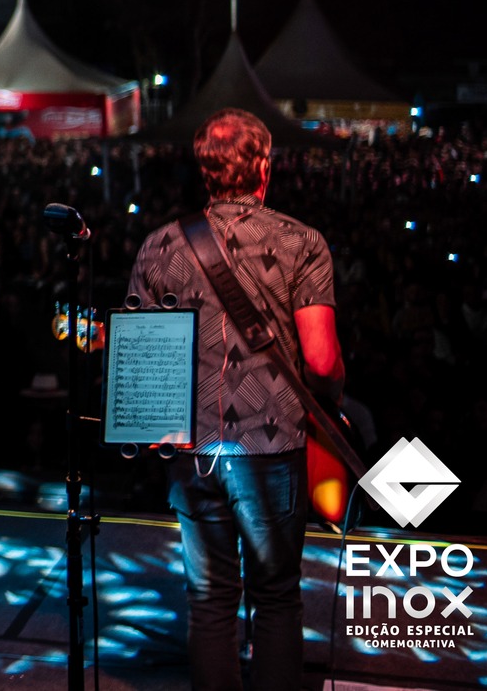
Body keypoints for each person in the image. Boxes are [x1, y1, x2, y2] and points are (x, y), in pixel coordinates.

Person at [127, 108, 344, 691]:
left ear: (205, 170)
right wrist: (334, 401)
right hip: (271, 444)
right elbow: (321, 360)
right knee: (275, 597)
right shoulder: (302, 242)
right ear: (264, 169)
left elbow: (144, 365)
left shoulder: (158, 246)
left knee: (210, 598)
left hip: (191, 446)